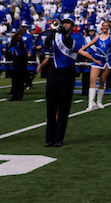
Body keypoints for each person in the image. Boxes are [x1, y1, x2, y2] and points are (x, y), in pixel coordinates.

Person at [37, 13, 81, 147]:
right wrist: (54, 31)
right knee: (51, 107)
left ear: (72, 26)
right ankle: (49, 138)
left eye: (68, 23)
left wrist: (64, 34)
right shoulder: (55, 36)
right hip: (53, 73)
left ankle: (58, 138)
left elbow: (74, 47)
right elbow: (44, 44)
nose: (65, 25)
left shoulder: (76, 36)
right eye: (64, 22)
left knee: (63, 107)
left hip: (67, 73)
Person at [8, 23, 33, 101]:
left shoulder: (28, 36)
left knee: (21, 76)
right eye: (22, 26)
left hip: (23, 56)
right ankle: (14, 93)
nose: (24, 28)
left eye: (25, 26)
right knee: (15, 75)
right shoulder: (15, 37)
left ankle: (19, 95)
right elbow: (11, 46)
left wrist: (29, 52)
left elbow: (29, 46)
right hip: (16, 56)